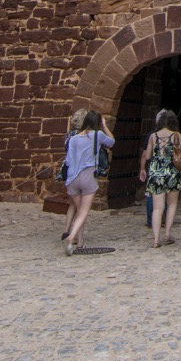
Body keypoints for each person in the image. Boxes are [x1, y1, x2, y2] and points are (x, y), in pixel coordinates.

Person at [63, 109, 114, 255]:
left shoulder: (73, 139)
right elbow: (111, 142)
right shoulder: (97, 135)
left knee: (80, 211)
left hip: (72, 177)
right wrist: (104, 127)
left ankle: (80, 242)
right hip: (88, 175)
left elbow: (68, 161)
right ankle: (72, 236)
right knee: (84, 211)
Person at [139, 109, 181, 248]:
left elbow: (148, 156)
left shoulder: (153, 136)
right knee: (172, 204)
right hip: (172, 173)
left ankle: (156, 240)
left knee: (157, 208)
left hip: (156, 174)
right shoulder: (176, 136)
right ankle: (167, 234)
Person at [62, 107, 88, 241]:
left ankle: (67, 229)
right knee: (81, 207)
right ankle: (76, 235)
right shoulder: (84, 136)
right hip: (80, 172)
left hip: (68, 171)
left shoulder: (68, 136)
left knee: (72, 202)